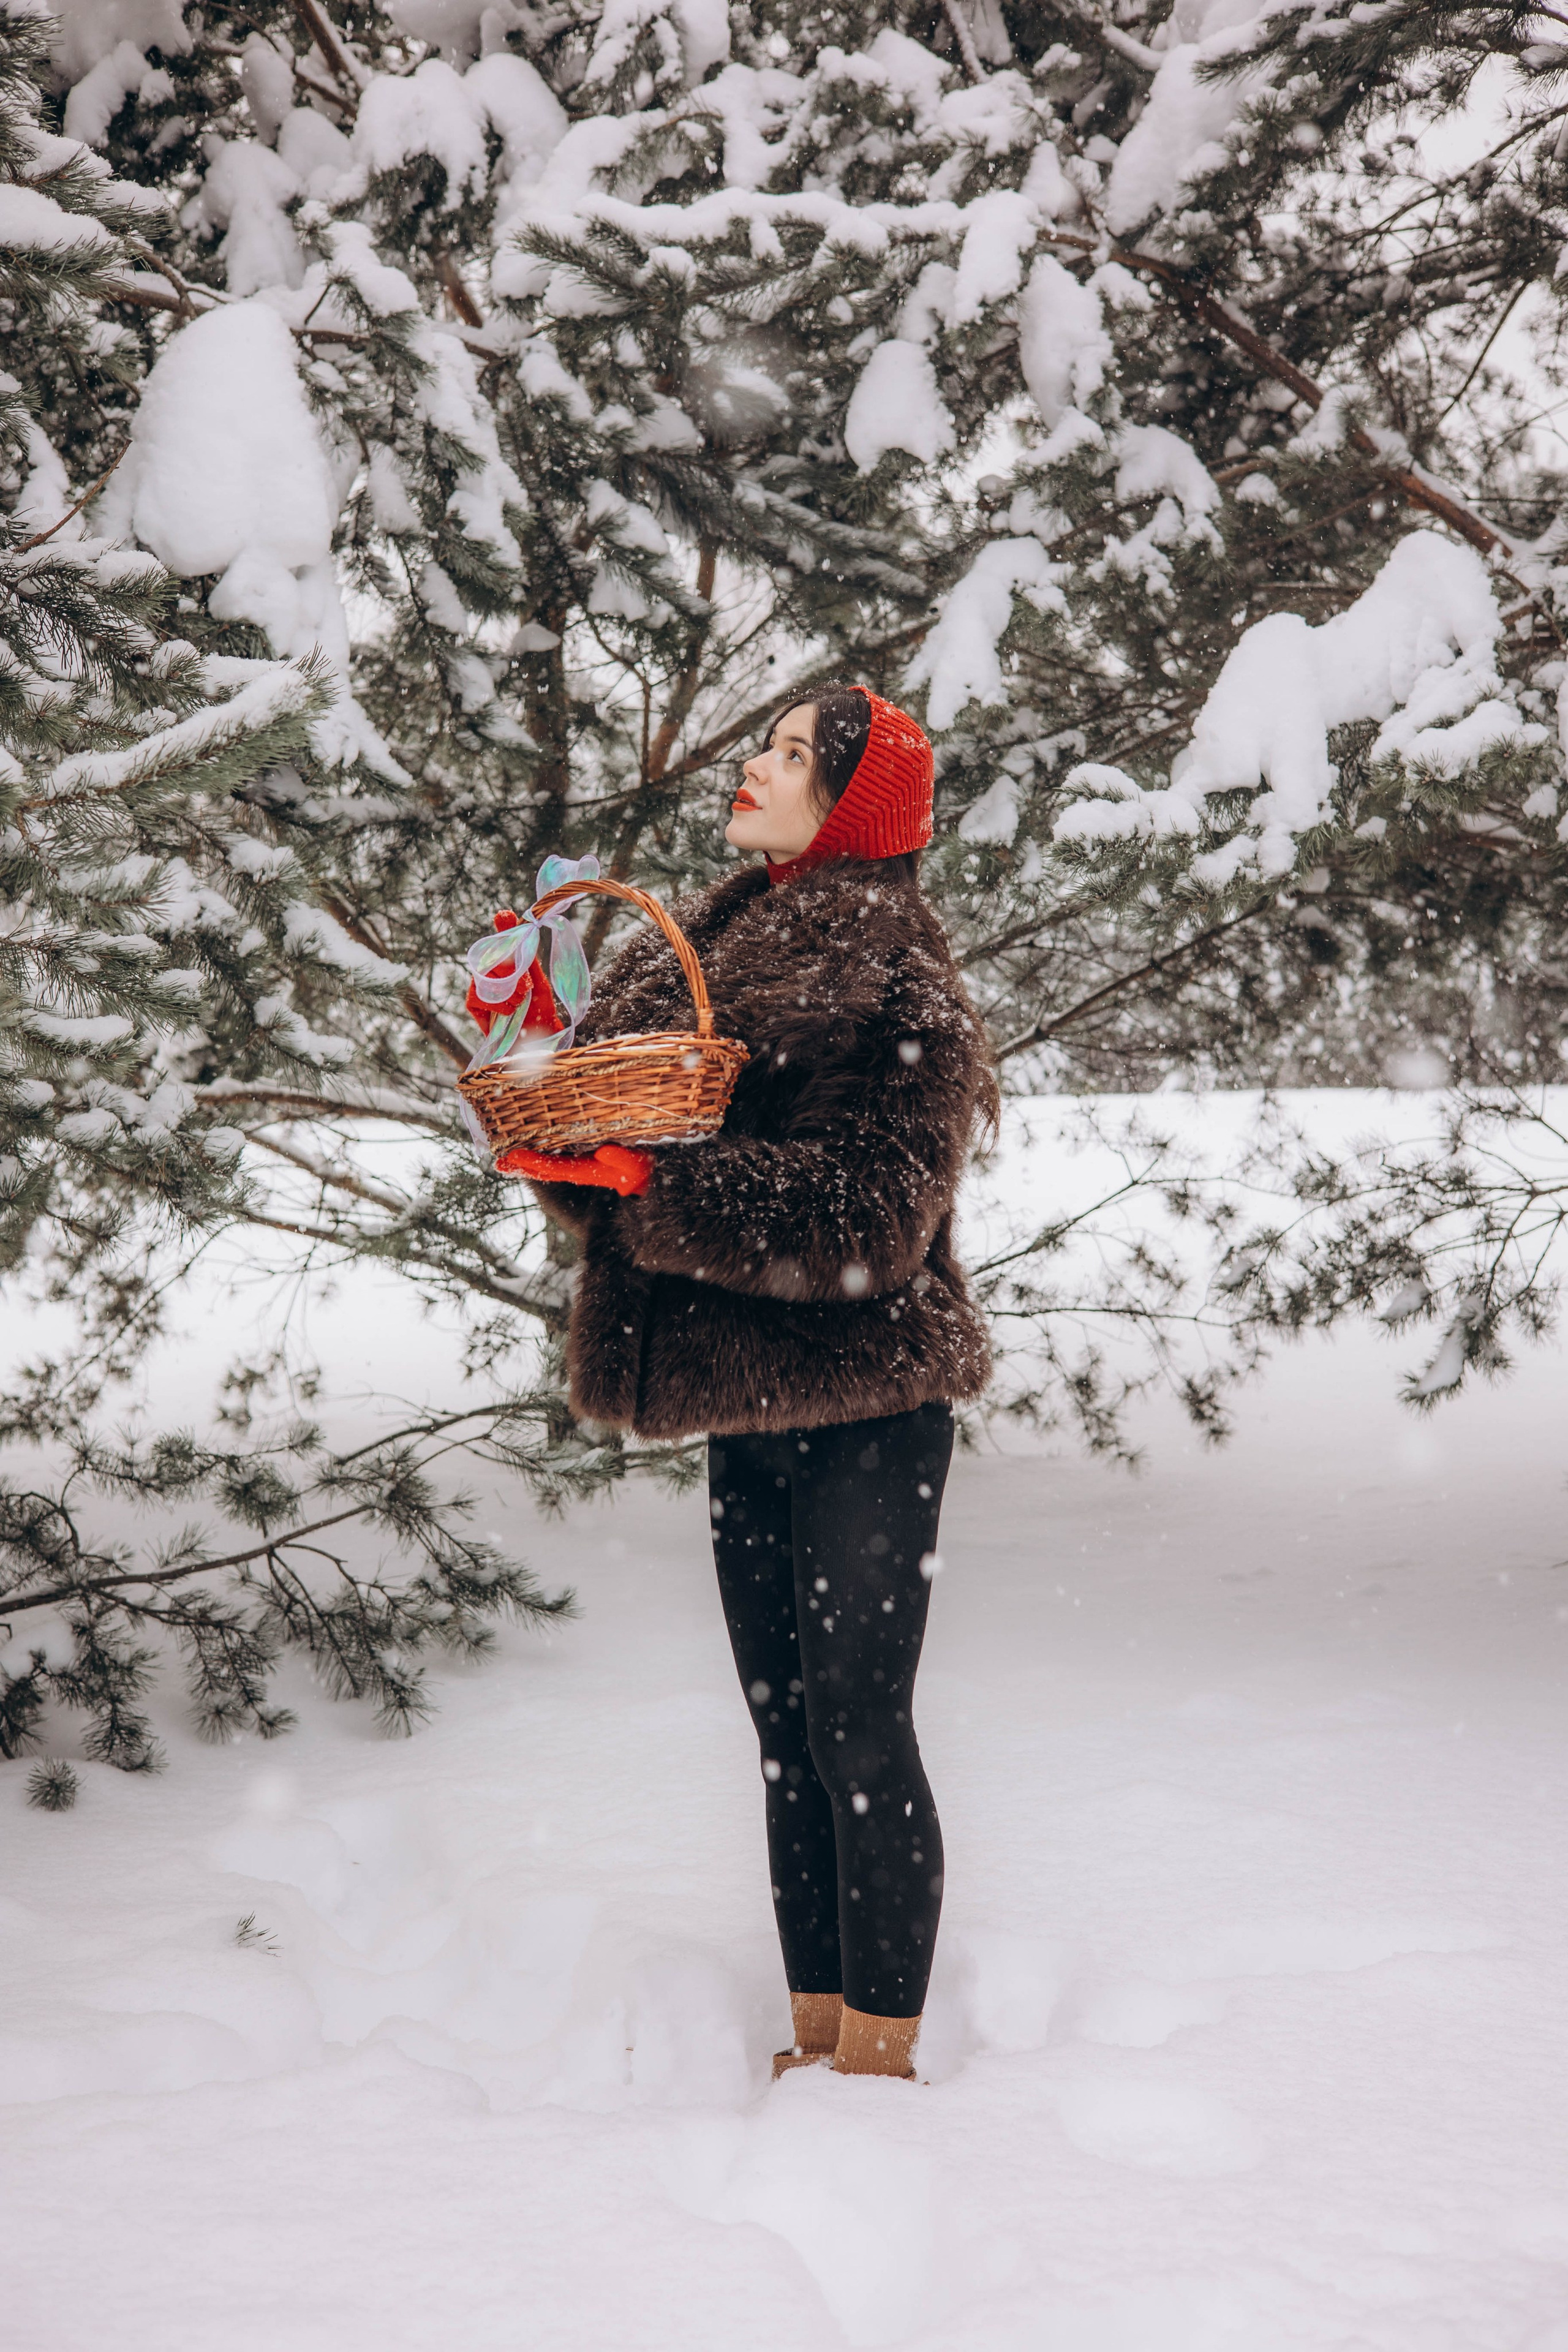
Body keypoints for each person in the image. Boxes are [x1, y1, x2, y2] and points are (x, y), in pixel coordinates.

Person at [480, 685, 998, 2080]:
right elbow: (640, 1168)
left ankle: (880, 2056)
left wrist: (666, 1185)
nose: (751, 766)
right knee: (782, 1735)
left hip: (865, 1405)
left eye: (786, 755)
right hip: (748, 1401)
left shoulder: (898, 982)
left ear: (851, 805)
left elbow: (873, 1223)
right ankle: (812, 2034)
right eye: (760, 745)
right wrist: (589, 1172)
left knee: (856, 1726)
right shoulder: (700, 953)